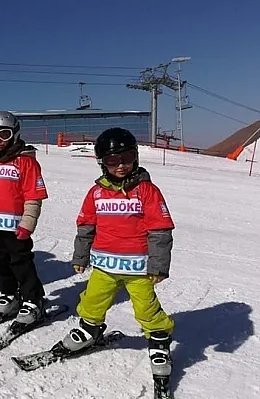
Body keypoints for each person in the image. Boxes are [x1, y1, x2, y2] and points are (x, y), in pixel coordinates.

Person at [58, 127, 175, 379]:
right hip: (104, 265)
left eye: (127, 157)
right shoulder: (96, 192)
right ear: (102, 163)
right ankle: (90, 328)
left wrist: (158, 265)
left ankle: (158, 339)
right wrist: (81, 256)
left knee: (146, 308)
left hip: (138, 268)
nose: (121, 165)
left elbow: (160, 229)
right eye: (113, 160)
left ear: (136, 157)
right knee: (92, 300)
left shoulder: (147, 191)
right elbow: (86, 226)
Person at [0, 111, 49, 327]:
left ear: (15, 134)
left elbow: (33, 198)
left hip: (16, 227)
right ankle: (9, 294)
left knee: (21, 263)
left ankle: (33, 300)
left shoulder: (25, 162)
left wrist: (27, 224)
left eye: (4, 134)